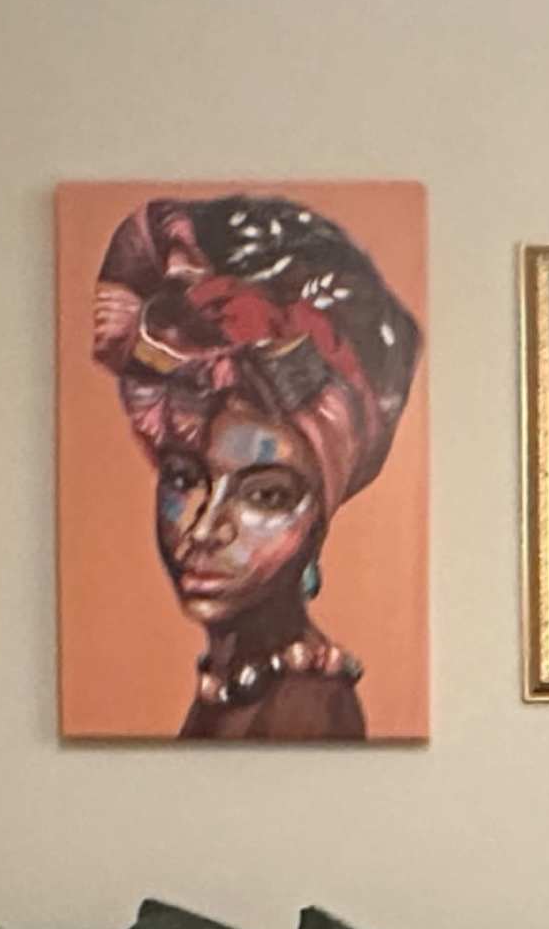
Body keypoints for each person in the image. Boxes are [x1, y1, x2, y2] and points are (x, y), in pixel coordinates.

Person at [89, 194, 421, 741]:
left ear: (321, 514)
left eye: (265, 496)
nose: (203, 529)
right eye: (182, 478)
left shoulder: (305, 706)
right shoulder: (243, 681)